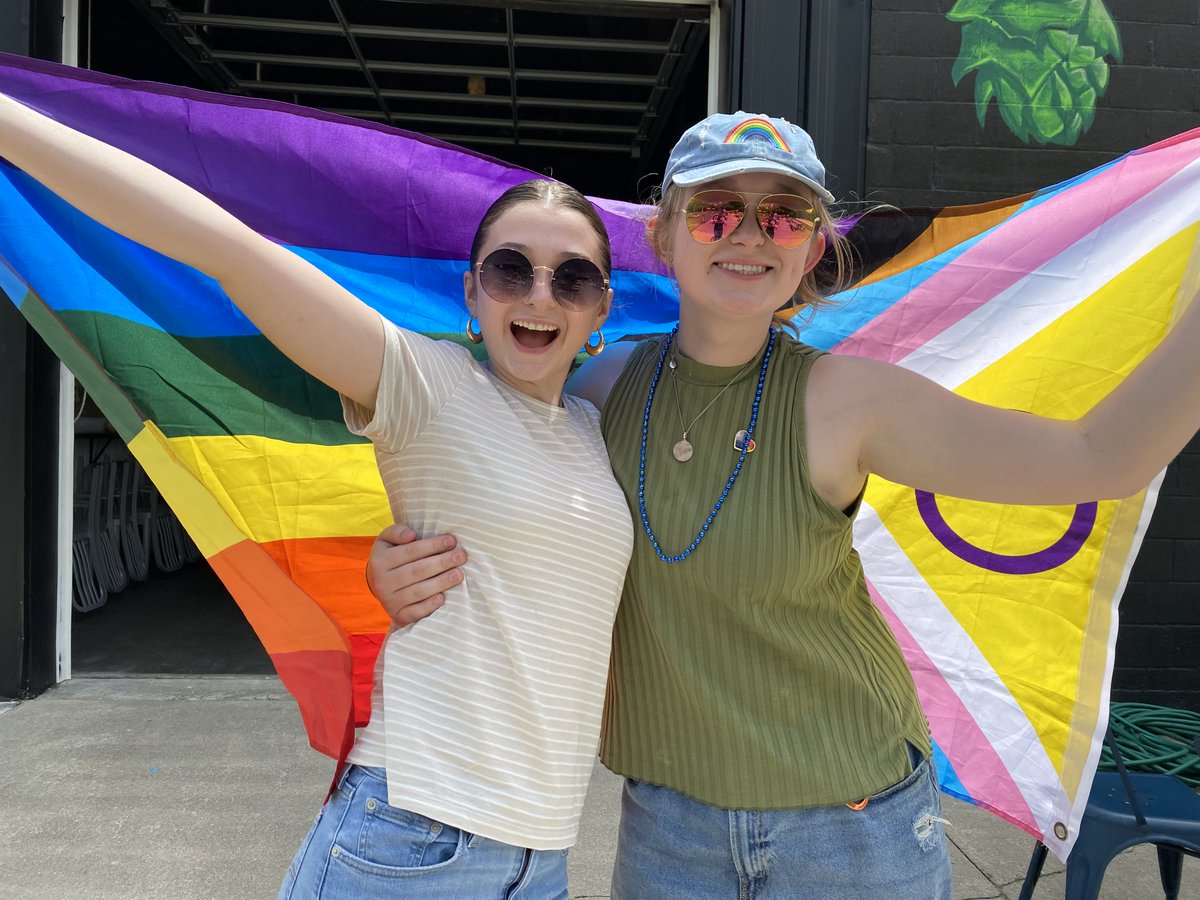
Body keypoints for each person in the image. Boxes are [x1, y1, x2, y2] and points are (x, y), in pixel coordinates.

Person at [365, 110, 1200, 899]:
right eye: (717, 213)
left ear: (811, 251)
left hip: (854, 832)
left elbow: (1101, 458)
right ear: (662, 235)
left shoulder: (850, 401)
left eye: (787, 217)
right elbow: (497, 505)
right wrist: (396, 562)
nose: (752, 235)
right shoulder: (601, 386)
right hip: (669, 832)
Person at [0, 94, 635, 899]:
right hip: (411, 837)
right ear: (472, 295)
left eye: (571, 279)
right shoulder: (425, 384)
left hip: (539, 859)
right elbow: (225, 250)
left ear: (602, 309)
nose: (541, 296)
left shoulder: (598, 422)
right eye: (512, 270)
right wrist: (8, 124)